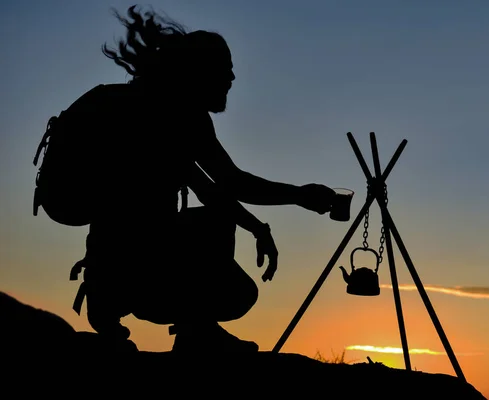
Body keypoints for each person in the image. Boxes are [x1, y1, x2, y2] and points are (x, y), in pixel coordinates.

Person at [73, 5, 338, 354]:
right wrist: (300, 195)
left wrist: (258, 227)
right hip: (143, 274)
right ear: (199, 72)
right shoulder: (181, 116)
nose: (231, 79)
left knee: (227, 252)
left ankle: (113, 309)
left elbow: (212, 190)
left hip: (110, 273)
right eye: (224, 71)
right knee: (239, 293)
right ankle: (196, 331)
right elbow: (232, 182)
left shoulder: (146, 108)